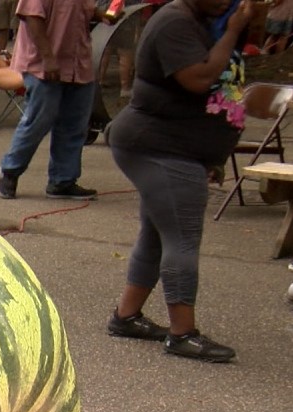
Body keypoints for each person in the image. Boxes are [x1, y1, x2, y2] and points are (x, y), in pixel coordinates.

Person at [104, 0, 251, 362]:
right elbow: (199, 79)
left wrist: (212, 155)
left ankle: (126, 316)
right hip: (160, 147)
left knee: (156, 235)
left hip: (179, 148)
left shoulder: (206, 21)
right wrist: (233, 30)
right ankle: (182, 333)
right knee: (181, 237)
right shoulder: (175, 23)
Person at [0, 0, 111, 199]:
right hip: (44, 63)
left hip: (77, 61)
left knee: (75, 124)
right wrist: (48, 58)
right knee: (38, 120)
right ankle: (10, 171)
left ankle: (62, 181)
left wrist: (103, 15)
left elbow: (84, 9)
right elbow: (32, 16)